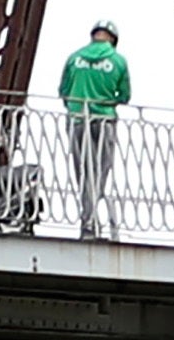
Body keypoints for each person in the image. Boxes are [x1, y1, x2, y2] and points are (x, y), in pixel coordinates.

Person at [56, 17, 134, 234]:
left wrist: (75, 103)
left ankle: (86, 216)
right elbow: (125, 95)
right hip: (104, 120)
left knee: (82, 169)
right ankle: (91, 213)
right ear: (113, 40)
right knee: (102, 167)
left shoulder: (74, 58)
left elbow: (63, 90)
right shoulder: (118, 61)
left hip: (77, 119)